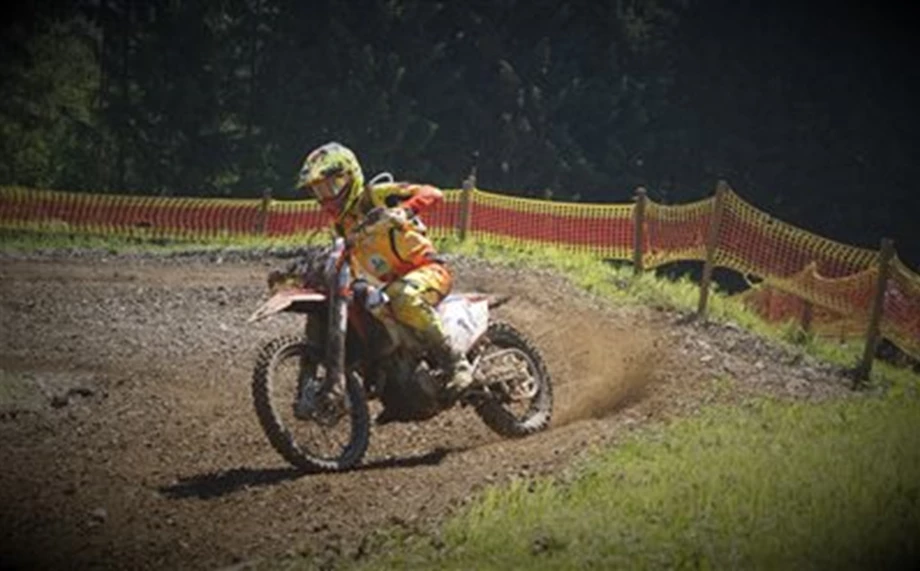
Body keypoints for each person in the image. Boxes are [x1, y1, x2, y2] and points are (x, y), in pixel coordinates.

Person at [295, 141, 473, 397]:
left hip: (429, 270)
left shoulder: (377, 196)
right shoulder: (342, 225)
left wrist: (404, 211)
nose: (326, 198)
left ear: (350, 178)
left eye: (331, 187)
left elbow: (433, 193)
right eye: (318, 192)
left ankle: (456, 363)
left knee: (403, 296)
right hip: (389, 283)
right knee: (364, 306)